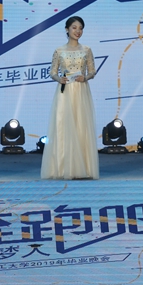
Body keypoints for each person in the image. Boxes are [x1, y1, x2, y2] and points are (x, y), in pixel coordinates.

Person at [41, 15, 99, 179]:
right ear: (67, 29)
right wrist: (59, 79)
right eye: (74, 28)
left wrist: (85, 77)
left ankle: (82, 168)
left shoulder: (86, 50)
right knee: (63, 127)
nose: (77, 31)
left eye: (80, 28)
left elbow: (92, 71)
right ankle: (62, 168)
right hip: (65, 92)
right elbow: (53, 71)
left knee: (81, 126)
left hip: (81, 91)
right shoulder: (59, 51)